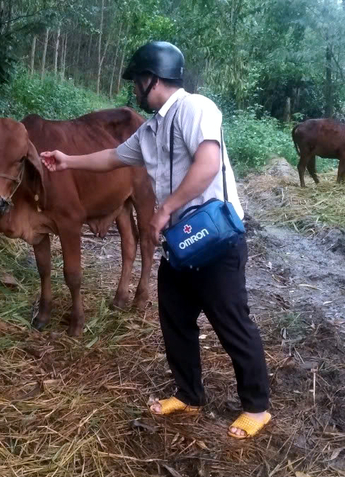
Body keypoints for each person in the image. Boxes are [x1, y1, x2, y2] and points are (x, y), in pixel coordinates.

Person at [41, 41, 271, 439]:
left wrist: (165, 209)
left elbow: (208, 163)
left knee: (231, 321)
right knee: (175, 318)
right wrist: (68, 160)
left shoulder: (196, 108)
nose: (133, 89)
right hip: (183, 242)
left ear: (153, 79)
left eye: (136, 81)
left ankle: (257, 406)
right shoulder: (151, 130)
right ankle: (190, 395)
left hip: (215, 236)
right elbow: (113, 157)